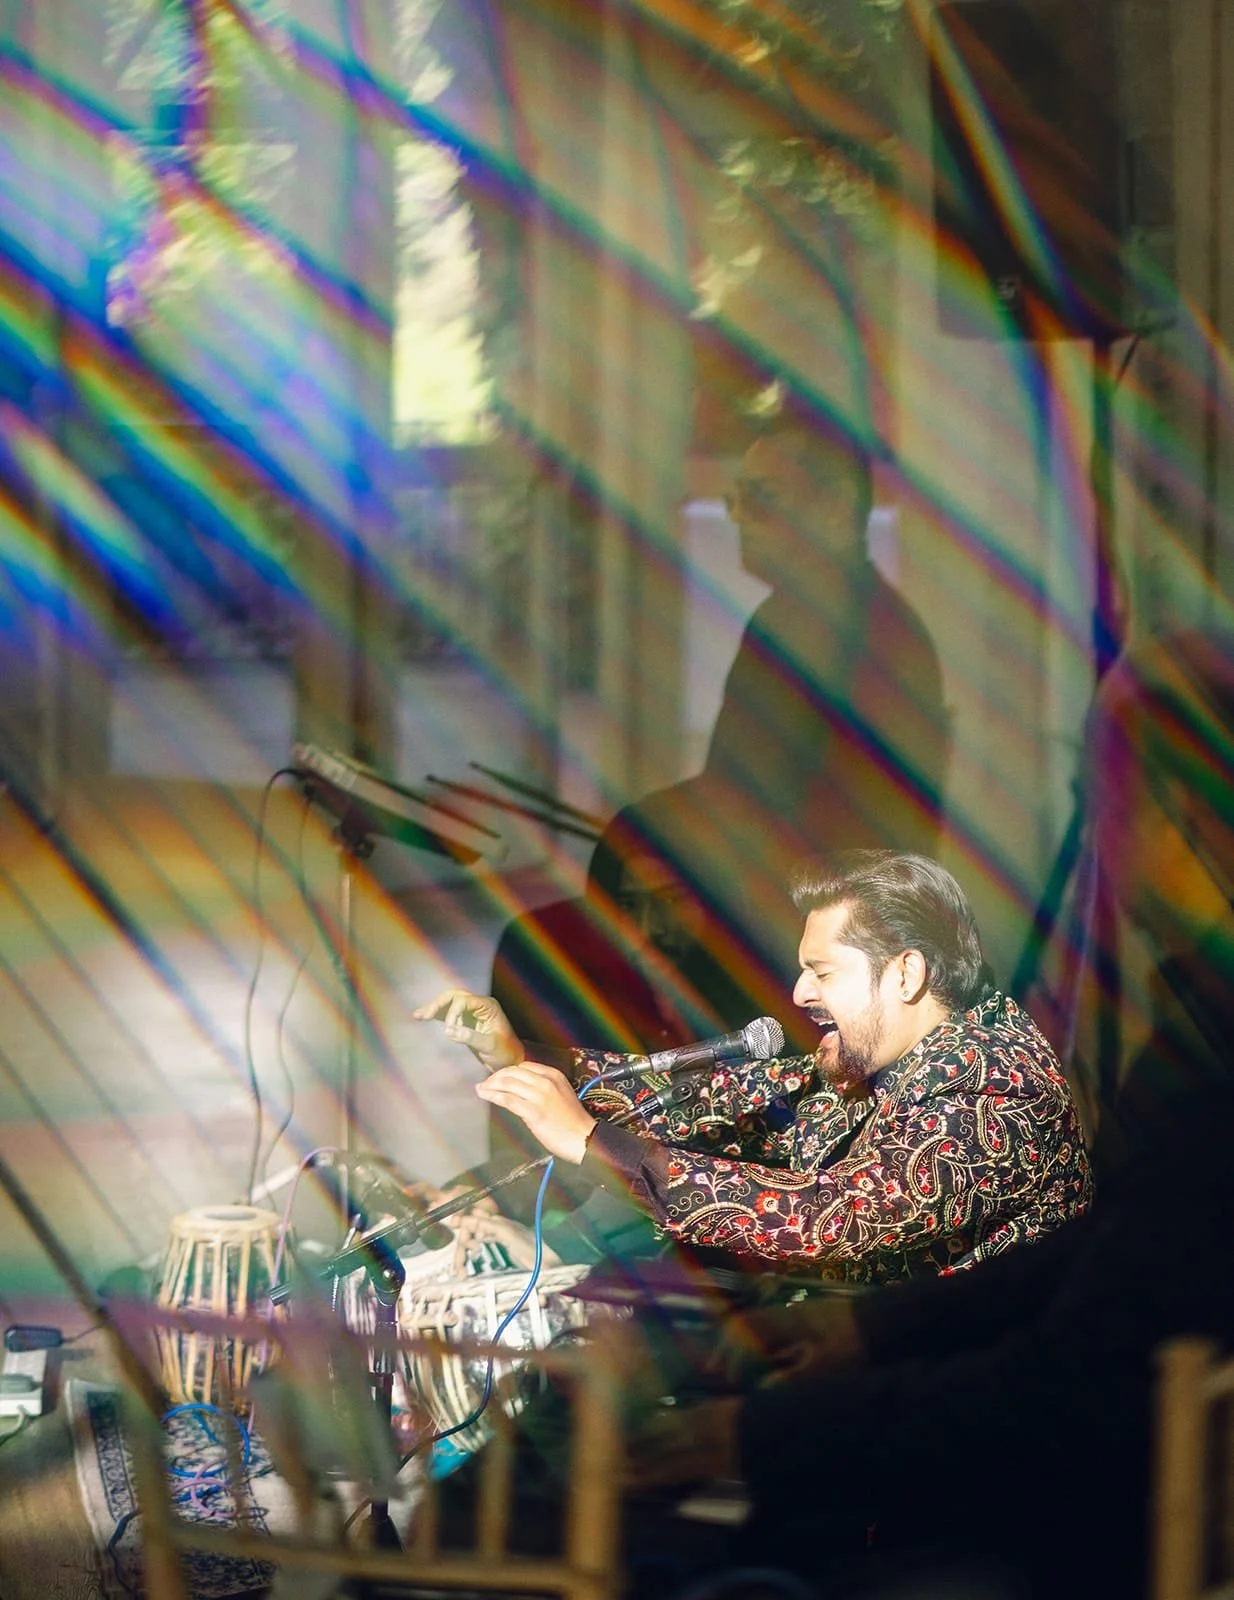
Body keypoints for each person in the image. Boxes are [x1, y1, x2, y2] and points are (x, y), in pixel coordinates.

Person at [624, 629, 1234, 1600]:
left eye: (1103, 802)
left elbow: (1057, 1385)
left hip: (1076, 1535)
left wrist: (754, 1434)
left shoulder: (1051, 1082)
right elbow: (1103, 1256)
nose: (1095, 847)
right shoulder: (1188, 1035)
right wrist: (869, 1330)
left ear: (1181, 819)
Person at [416, 850, 1091, 1284]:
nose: (799, 993)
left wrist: (593, 1143)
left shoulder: (993, 1086)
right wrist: (516, 1055)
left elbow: (829, 1217)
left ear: (906, 973)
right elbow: (709, 1100)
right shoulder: (880, 1064)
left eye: (823, 971)